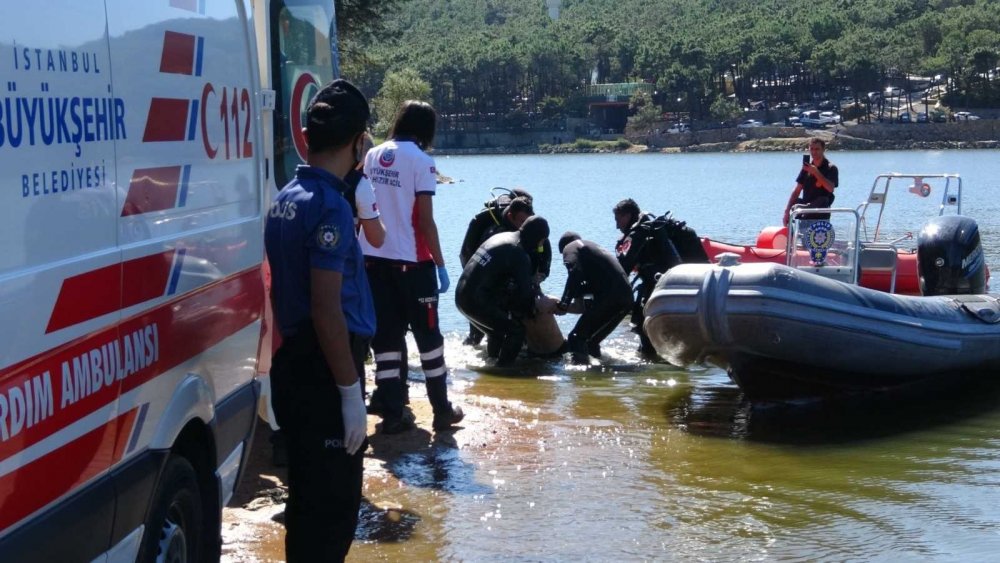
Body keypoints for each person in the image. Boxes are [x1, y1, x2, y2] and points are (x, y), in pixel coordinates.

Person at [263, 78, 372, 561]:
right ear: (357, 142)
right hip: (326, 367)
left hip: (294, 364)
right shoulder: (329, 205)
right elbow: (327, 308)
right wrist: (350, 393)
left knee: (306, 503)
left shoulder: (287, 195)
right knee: (333, 512)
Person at [360, 100, 464, 434]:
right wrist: (442, 264)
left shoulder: (373, 155)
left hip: (373, 262)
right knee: (429, 339)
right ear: (426, 129)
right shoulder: (422, 161)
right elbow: (425, 221)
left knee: (386, 339)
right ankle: (441, 410)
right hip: (413, 264)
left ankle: (393, 413)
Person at [455, 216, 556, 366]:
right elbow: (525, 294)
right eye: (541, 242)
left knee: (498, 330)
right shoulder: (518, 253)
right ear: (537, 238)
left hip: (461, 296)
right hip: (475, 301)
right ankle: (504, 370)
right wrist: (542, 305)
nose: (541, 246)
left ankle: (492, 361)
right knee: (516, 330)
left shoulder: (502, 236)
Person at [458, 192, 541, 346]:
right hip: (476, 274)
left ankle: (491, 354)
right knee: (482, 327)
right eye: (522, 221)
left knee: (501, 324)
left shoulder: (527, 227)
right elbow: (472, 258)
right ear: (511, 216)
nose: (524, 225)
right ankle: (480, 348)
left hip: (493, 273)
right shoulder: (496, 230)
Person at [613, 198, 682, 355]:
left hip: (656, 284)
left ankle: (648, 357)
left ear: (628, 215)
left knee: (642, 324)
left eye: (618, 220)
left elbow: (624, 266)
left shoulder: (639, 232)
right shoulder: (652, 225)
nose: (617, 226)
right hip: (671, 283)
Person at [555, 232, 633, 364]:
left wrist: (563, 303)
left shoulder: (570, 248)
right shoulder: (591, 251)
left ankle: (581, 377)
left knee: (576, 338)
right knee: (590, 341)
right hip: (624, 297)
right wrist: (561, 306)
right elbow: (580, 307)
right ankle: (597, 375)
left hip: (612, 296)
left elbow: (574, 273)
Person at [783, 137, 839, 226]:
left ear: (823, 150)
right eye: (811, 149)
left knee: (823, 199)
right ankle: (801, 210)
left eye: (817, 149)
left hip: (820, 214)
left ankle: (803, 209)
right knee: (796, 201)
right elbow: (797, 190)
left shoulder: (831, 168)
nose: (814, 152)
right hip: (805, 214)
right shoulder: (806, 168)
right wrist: (786, 211)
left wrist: (816, 172)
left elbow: (830, 188)